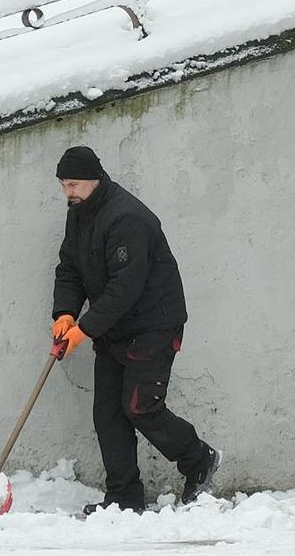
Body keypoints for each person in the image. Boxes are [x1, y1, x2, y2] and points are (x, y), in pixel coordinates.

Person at [49, 145, 221, 514]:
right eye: (64, 185)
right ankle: (124, 498)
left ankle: (199, 460)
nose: (69, 192)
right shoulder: (79, 214)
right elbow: (70, 267)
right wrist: (64, 312)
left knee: (140, 407)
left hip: (153, 324)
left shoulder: (127, 218)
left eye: (74, 184)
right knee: (108, 412)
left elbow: (126, 286)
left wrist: (85, 329)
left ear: (95, 180)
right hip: (114, 328)